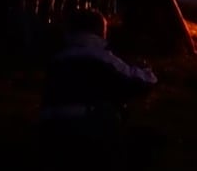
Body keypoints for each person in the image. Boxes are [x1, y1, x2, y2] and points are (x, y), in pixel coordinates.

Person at [39, 8, 157, 144]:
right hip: (88, 127)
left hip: (50, 129)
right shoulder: (102, 57)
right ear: (101, 30)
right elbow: (141, 82)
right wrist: (145, 69)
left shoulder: (57, 60)